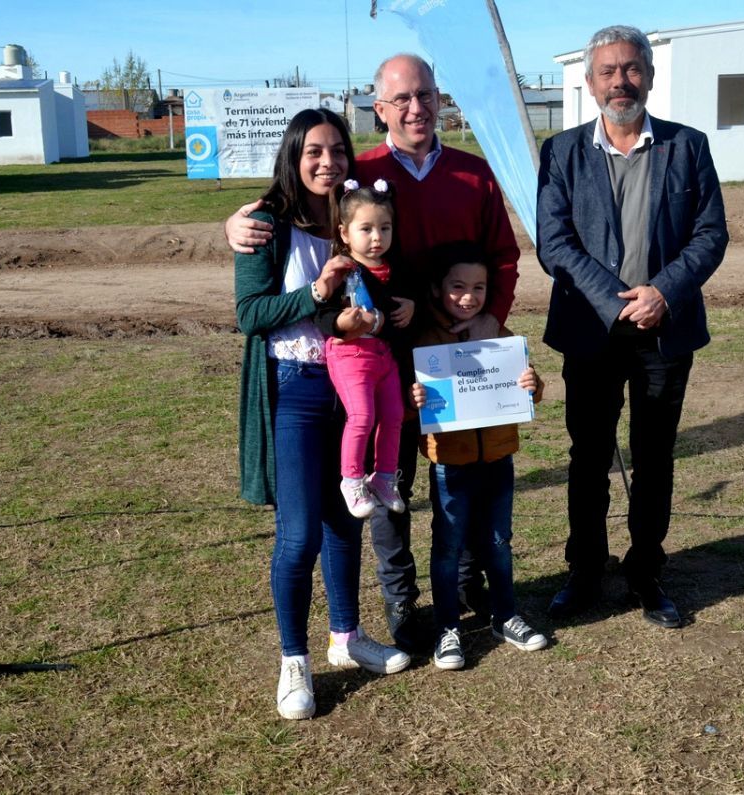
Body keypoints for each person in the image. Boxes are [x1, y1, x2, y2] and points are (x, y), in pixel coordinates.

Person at [228, 54, 520, 654]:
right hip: (375, 358)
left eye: (427, 95)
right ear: (378, 108)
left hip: (456, 354)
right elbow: (293, 211)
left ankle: (466, 588)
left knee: (460, 474)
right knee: (389, 484)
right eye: (402, 98)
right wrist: (235, 225)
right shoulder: (359, 176)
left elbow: (504, 258)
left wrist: (492, 319)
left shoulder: (473, 173)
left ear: (441, 100)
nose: (417, 108)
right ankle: (401, 605)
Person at [536, 25, 728, 628]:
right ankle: (584, 572)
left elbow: (710, 233)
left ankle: (646, 573)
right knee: (588, 456)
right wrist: (613, 300)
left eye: (632, 69)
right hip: (592, 333)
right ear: (590, 83)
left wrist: (663, 291)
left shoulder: (688, 146)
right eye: (608, 71)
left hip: (664, 330)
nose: (622, 81)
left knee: (655, 457)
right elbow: (555, 243)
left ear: (649, 73)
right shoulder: (562, 152)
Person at [234, 108, 409, 721]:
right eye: (314, 150)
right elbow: (250, 314)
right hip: (296, 385)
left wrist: (391, 306)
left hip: (349, 381)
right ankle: (293, 661)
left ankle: (345, 636)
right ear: (293, 154)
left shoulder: (347, 219)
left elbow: (374, 286)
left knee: (347, 518)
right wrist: (315, 293)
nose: (327, 161)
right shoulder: (261, 223)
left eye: (337, 150)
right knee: (301, 532)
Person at [409, 243, 547, 670]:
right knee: (448, 546)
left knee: (499, 542)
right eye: (458, 287)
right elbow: (412, 405)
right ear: (437, 289)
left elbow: (528, 390)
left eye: (479, 287)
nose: (468, 297)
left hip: (499, 458)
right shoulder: (425, 341)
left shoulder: (500, 335)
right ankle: (448, 627)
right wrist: (413, 398)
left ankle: (505, 615)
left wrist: (532, 384)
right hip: (450, 463)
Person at [318, 178, 415, 518]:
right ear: (344, 233)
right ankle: (352, 479)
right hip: (350, 356)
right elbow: (323, 315)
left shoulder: (397, 268)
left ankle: (385, 478)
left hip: (385, 358)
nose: (377, 237)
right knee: (362, 416)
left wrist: (413, 307)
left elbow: (404, 307)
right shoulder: (342, 269)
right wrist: (341, 322)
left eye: (385, 228)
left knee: (394, 416)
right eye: (367, 229)